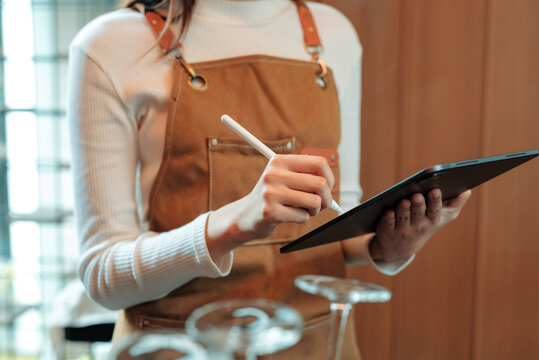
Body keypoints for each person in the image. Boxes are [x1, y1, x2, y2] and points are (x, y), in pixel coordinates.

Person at [68, 0, 471, 358]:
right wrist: (233, 224)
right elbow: (103, 277)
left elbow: (336, 221)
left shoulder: (334, 34)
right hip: (183, 348)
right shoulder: (111, 46)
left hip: (317, 346)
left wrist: (392, 246)